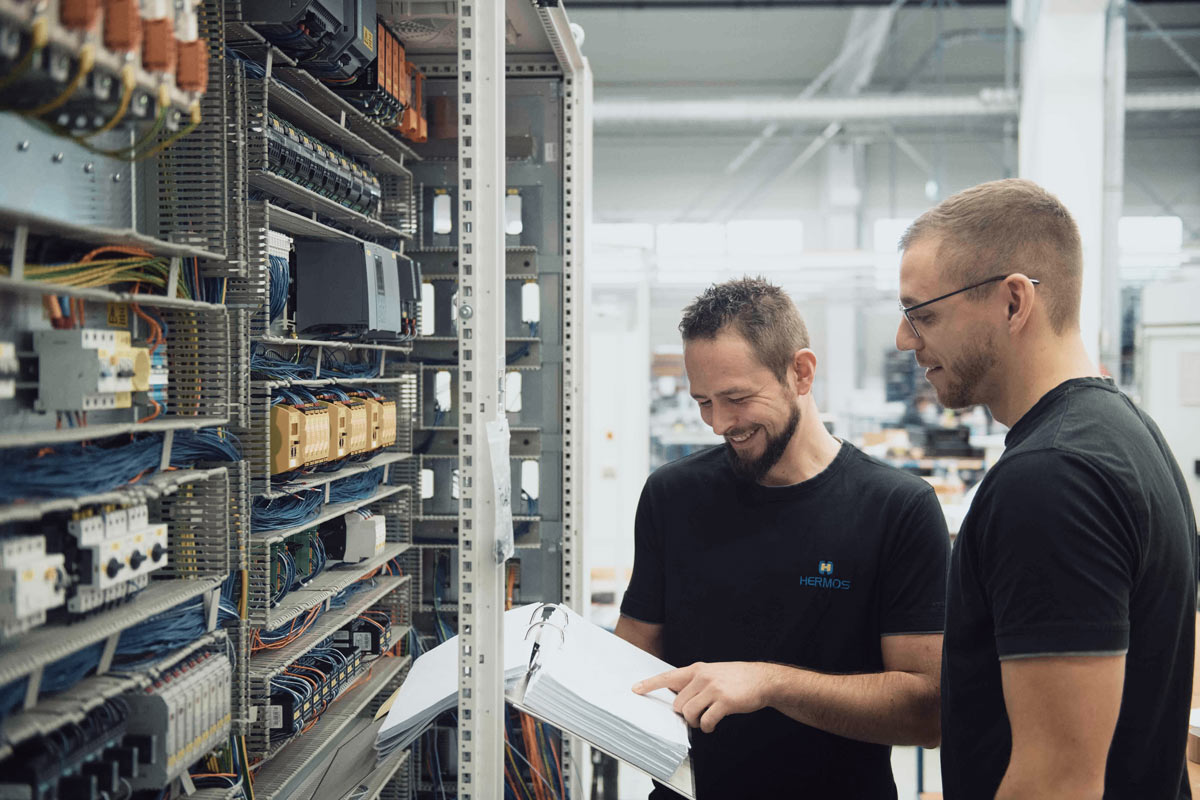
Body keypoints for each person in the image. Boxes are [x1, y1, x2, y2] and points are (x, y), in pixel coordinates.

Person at [896, 178, 1198, 799]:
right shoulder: (1128, 433)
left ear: (1013, 303)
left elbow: (1056, 784)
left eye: (922, 314)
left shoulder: (1052, 479)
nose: (906, 340)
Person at [617, 277, 949, 799]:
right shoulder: (672, 496)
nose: (719, 423)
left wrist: (770, 684)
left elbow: (927, 712)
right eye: (704, 401)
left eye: (737, 398)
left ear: (801, 372)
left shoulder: (897, 508)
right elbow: (633, 658)